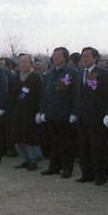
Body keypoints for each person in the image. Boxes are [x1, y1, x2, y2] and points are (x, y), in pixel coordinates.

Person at [38, 47, 79, 178]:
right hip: (51, 113)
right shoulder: (49, 74)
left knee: (66, 143)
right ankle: (54, 166)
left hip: (65, 114)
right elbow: (44, 94)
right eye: (53, 55)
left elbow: (75, 94)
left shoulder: (72, 73)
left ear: (65, 57)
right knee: (53, 142)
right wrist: (42, 111)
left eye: (58, 55)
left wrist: (74, 112)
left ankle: (67, 168)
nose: (55, 57)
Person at [75, 47, 108, 185]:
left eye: (87, 56)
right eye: (82, 56)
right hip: (82, 117)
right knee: (83, 148)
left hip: (97, 117)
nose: (84, 58)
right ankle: (87, 173)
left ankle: (101, 175)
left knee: (98, 148)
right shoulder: (80, 74)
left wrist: (107, 114)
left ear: (95, 58)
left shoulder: (103, 74)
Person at [10, 54, 43, 170]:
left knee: (30, 136)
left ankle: (34, 160)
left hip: (31, 112)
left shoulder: (35, 78)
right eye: (21, 62)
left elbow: (40, 96)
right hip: (17, 111)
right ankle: (25, 158)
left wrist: (39, 111)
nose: (23, 65)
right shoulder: (15, 78)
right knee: (18, 136)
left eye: (26, 62)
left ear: (31, 64)